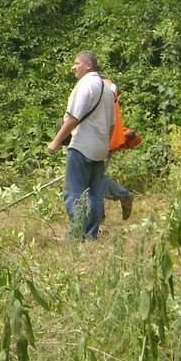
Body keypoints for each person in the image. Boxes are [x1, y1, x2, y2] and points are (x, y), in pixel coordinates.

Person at [47, 51, 114, 239]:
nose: (73, 67)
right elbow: (112, 123)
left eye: (77, 63)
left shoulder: (85, 85)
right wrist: (106, 147)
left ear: (88, 65)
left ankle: (76, 234)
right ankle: (90, 235)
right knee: (94, 194)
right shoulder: (107, 89)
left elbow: (73, 118)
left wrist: (55, 142)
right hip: (99, 148)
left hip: (81, 146)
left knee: (73, 192)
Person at [101, 76, 134, 220]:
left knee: (92, 178)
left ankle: (123, 195)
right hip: (100, 139)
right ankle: (98, 217)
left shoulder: (104, 86)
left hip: (105, 140)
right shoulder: (100, 85)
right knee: (91, 178)